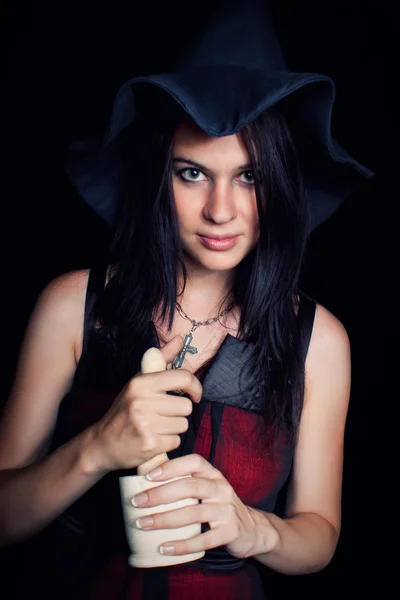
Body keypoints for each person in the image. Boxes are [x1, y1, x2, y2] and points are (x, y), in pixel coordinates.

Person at [0, 1, 373, 598]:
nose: (221, 210)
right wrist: (94, 448)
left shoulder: (320, 341)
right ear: (158, 176)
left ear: (278, 185)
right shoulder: (74, 304)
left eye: (249, 176)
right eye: (192, 173)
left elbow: (320, 535)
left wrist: (255, 530)